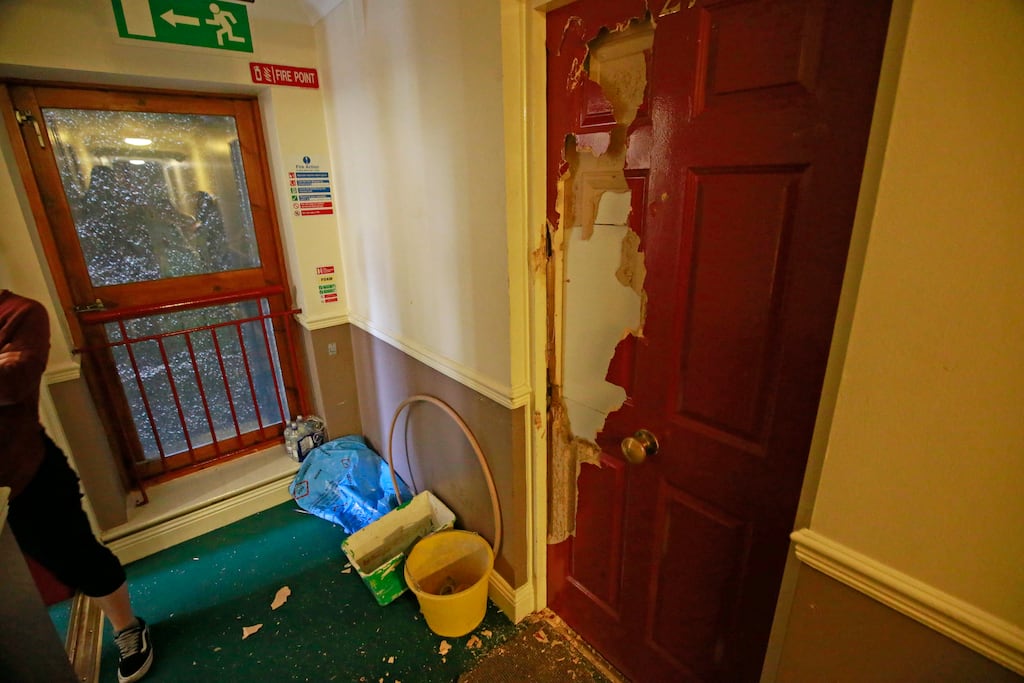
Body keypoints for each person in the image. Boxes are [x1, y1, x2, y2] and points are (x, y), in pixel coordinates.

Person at [0, 289, 153, 683]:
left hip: (26, 475)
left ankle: (127, 628)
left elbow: (14, 381)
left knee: (76, 557)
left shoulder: (20, 313)